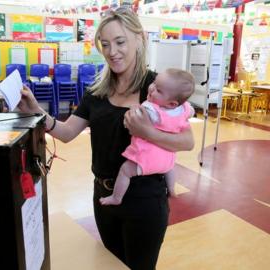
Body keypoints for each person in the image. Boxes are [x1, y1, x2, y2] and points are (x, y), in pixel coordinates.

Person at [18, 7, 194, 270]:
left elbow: (187, 141)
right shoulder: (97, 91)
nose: (113, 51)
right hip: (103, 196)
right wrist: (37, 112)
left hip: (144, 199)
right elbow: (66, 133)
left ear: (139, 38)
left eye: (120, 42)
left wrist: (147, 132)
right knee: (111, 264)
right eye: (106, 44)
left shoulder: (156, 86)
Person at [99, 68, 195, 206]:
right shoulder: (185, 109)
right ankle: (172, 188)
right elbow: (189, 112)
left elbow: (132, 123)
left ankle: (116, 197)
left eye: (159, 91)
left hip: (146, 157)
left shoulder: (151, 110)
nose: (152, 89)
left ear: (172, 103)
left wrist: (133, 111)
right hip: (167, 158)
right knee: (171, 167)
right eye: (154, 83)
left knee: (126, 171)